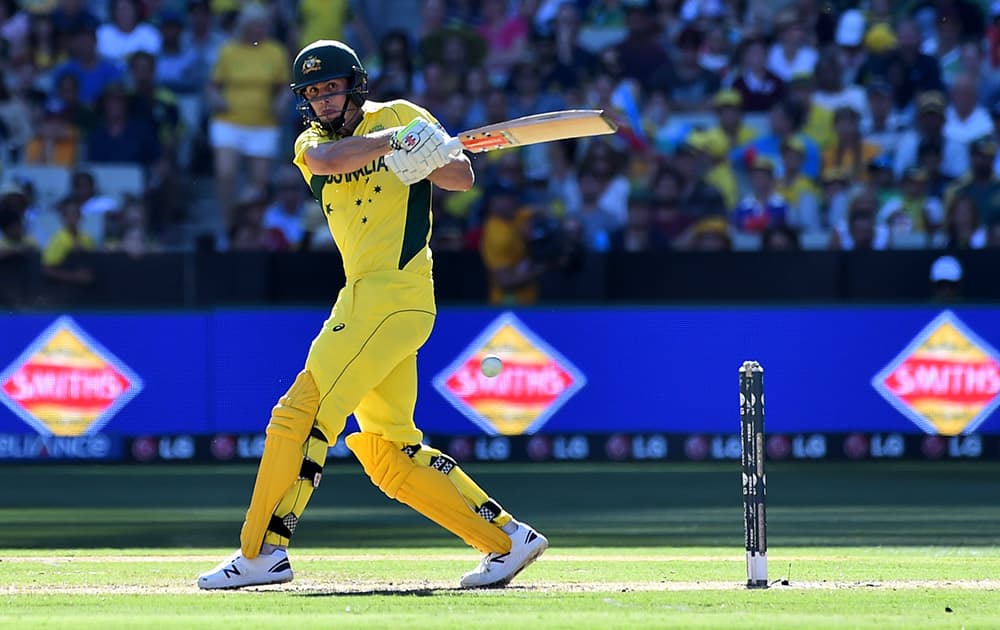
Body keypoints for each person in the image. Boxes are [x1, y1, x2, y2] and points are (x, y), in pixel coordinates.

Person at [197, 39, 548, 591]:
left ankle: (264, 550)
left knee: (300, 414)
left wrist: (431, 157)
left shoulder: (405, 114)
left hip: (395, 292)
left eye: (331, 88)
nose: (323, 101)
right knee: (388, 452)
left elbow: (462, 177)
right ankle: (506, 541)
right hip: (369, 299)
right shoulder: (312, 142)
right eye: (313, 93)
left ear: (355, 85)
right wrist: (393, 146)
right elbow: (329, 162)